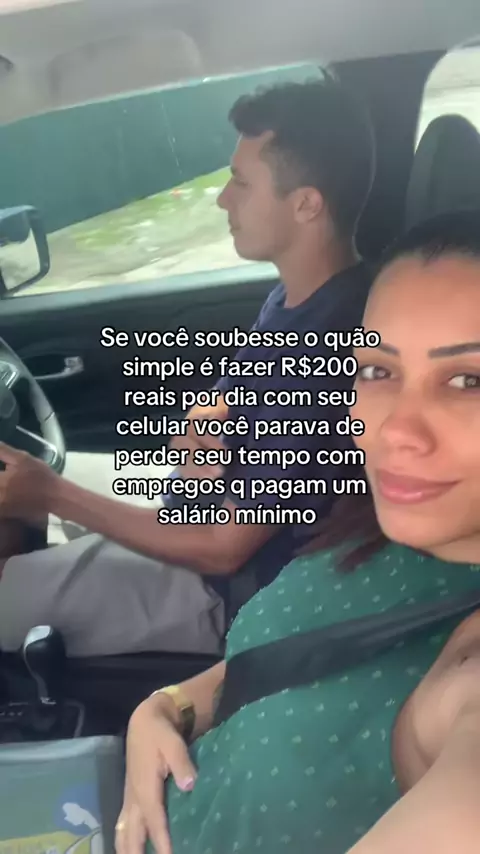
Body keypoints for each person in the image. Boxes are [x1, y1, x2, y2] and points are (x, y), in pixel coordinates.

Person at [114, 210, 480, 854]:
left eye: (467, 381)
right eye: (378, 371)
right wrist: (167, 707)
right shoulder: (377, 526)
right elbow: (285, 656)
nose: (394, 430)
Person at [0, 75, 375, 657]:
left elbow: (224, 547)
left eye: (241, 182)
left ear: (306, 204)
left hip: (224, 588)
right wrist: (206, 427)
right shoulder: (297, 297)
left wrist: (52, 494)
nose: (223, 199)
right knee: (40, 484)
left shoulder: (327, 349)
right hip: (195, 507)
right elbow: (223, 411)